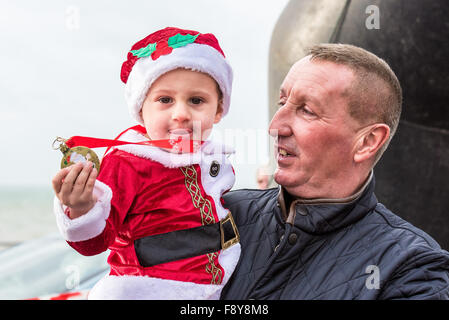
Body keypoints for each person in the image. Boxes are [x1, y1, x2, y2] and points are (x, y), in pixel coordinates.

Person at [221, 43, 449, 300]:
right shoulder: (223, 215)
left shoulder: (411, 268)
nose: (276, 126)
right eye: (282, 102)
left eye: (307, 110)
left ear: (367, 141)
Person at [51, 27, 240, 299]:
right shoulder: (128, 162)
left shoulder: (214, 158)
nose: (181, 114)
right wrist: (81, 208)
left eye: (197, 101)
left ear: (219, 110)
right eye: (165, 100)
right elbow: (94, 243)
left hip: (218, 286)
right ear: (141, 108)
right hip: (148, 290)